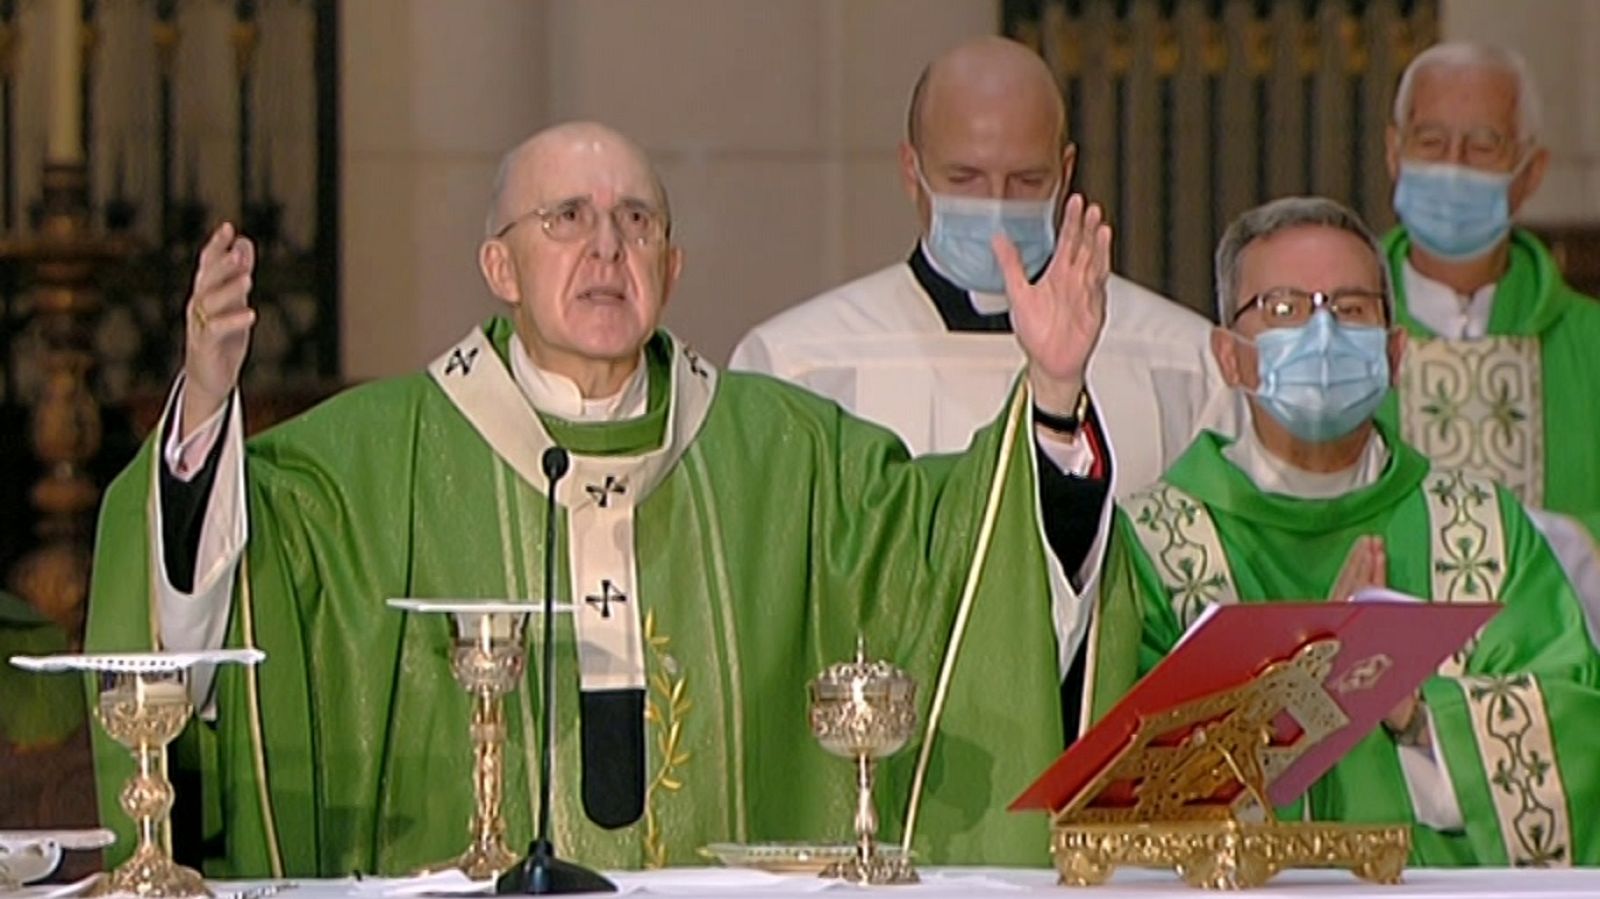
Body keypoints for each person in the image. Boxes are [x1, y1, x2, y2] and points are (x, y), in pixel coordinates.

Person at [84, 121, 1116, 875]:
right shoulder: (375, 456)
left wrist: (1056, 393)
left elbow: (955, 552)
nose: (606, 248)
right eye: (565, 218)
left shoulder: (785, 450)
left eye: (635, 221)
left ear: (671, 265)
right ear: (500, 264)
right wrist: (207, 410)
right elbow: (215, 557)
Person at [1090, 196, 1600, 866]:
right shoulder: (1156, 544)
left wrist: (1416, 711)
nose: (1321, 333)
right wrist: (1310, 684)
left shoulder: (1480, 529)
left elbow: (1573, 726)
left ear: (1393, 353)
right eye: (1283, 308)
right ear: (1230, 357)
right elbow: (1129, 785)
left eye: (1351, 307)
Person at [731, 34, 1233, 497]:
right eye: (965, 178)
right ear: (912, 171)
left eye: (1027, 180)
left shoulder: (1182, 364)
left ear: (1066, 171)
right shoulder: (797, 365)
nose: (996, 207)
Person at [1380, 42, 1600, 547]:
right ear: (1394, 152)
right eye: (1430, 141)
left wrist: (1562, 545)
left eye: (1483, 145)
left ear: (1531, 171)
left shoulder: (1588, 341)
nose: (1453, 166)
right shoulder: (1340, 336)